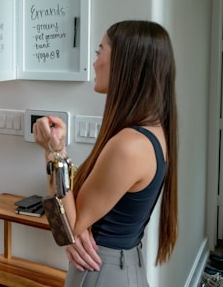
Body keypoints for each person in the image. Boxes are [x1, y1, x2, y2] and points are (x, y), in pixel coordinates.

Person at [33, 20, 178, 286]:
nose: (95, 61)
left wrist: (52, 154)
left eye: (100, 51)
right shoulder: (152, 131)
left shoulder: (128, 145)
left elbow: (63, 229)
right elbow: (78, 217)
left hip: (101, 271)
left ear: (125, 64)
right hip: (123, 264)